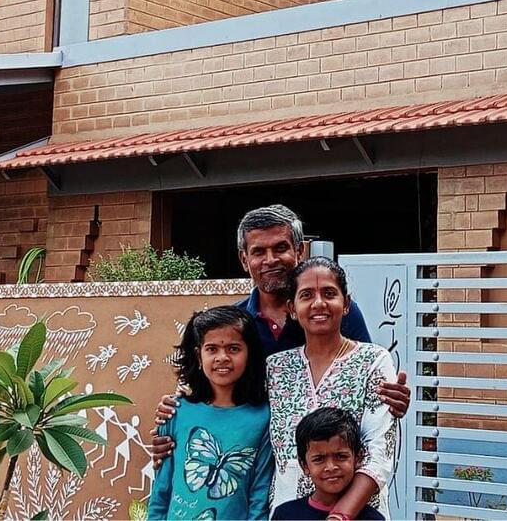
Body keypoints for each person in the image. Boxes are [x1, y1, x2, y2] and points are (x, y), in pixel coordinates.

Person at [153, 205, 410, 462]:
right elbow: (204, 391)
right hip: (250, 462)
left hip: (329, 465)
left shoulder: (335, 315)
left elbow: (366, 383)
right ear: (244, 259)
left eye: (280, 248)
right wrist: (174, 418)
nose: (270, 260)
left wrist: (389, 399)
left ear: (299, 251)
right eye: (258, 252)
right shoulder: (233, 326)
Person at [265, 257, 397, 519]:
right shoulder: (276, 367)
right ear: (292, 308)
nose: (318, 303)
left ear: (346, 303)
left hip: (359, 512)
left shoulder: (373, 361)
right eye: (306, 295)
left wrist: (341, 515)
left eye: (329, 293)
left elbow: (380, 450)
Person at [148, 306, 274, 520]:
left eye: (233, 348)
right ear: (199, 356)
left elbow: (259, 496)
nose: (222, 357)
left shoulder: (263, 418)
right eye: (212, 349)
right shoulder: (176, 412)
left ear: (249, 354)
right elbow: (161, 490)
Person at [272, 408, 385, 520]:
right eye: (319, 459)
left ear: (358, 458)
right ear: (304, 465)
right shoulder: (285, 515)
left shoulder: (372, 518)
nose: (331, 467)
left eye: (341, 456)